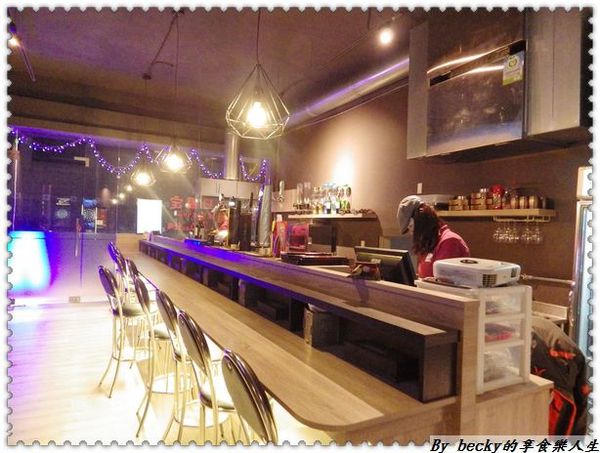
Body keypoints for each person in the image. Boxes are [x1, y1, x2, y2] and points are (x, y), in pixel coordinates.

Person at [397, 195, 470, 278]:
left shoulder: (449, 241)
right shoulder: (428, 244)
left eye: (411, 226)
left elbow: (443, 282)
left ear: (422, 221)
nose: (412, 234)